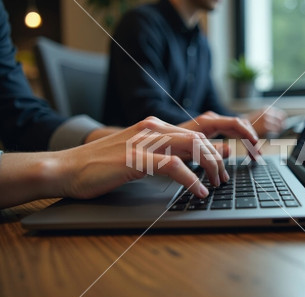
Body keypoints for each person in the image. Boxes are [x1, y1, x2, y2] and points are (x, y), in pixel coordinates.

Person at [0, 0, 259, 209]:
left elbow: (20, 114)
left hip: (154, 164)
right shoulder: (141, 24)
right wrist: (70, 163)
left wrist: (103, 140)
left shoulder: (201, 43)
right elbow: (146, 109)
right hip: (133, 177)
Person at [103, 0, 286, 137]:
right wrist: (238, 125)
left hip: (180, 156)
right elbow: (148, 113)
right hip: (139, 164)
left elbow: (212, 106)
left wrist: (245, 122)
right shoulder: (140, 25)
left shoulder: (201, 44)